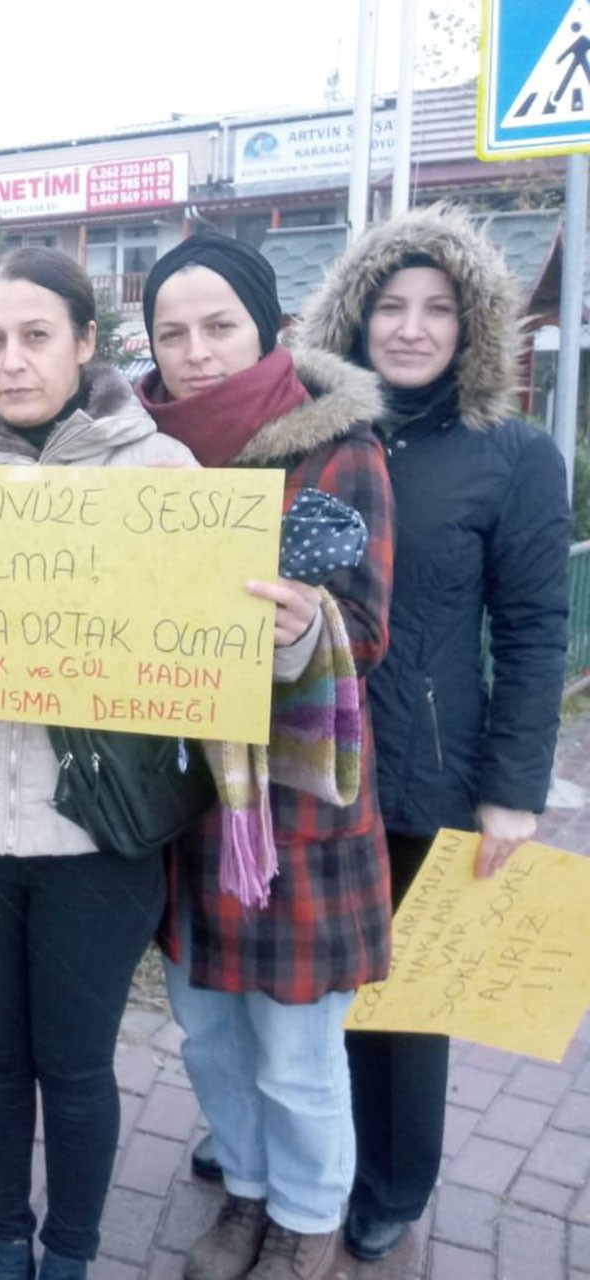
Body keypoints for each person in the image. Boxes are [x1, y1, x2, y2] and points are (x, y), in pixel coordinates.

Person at [0, 248, 195, 1280]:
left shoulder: (164, 475)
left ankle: (71, 1247)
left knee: (76, 1060)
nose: (11, 361)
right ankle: (9, 1236)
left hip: (93, 834)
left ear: (85, 342)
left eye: (35, 336)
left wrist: (276, 633)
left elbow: (214, 661)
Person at [299, 206, 570, 1264]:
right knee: (314, 974)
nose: (411, 328)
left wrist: (512, 789)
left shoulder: (511, 456)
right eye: (390, 306)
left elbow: (538, 627)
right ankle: (307, 1137)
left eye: (437, 308)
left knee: (402, 993)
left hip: (426, 764)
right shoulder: (317, 434)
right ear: (356, 317)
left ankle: (393, 1174)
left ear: (473, 324)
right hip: (306, 757)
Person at [136, 234, 396, 1280]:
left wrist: (299, 632)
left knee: (296, 1051)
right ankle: (243, 1190)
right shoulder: (140, 457)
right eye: (172, 332)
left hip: (290, 803)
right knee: (206, 1031)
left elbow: (366, 625)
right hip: (186, 794)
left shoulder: (340, 450)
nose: (195, 352)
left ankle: (307, 1216)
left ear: (267, 327)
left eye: (218, 325)